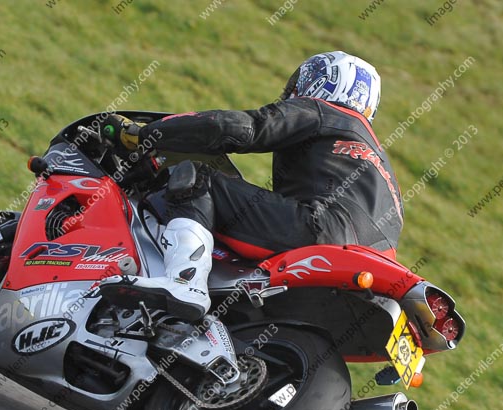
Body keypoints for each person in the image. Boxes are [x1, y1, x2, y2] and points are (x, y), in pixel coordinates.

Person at [99, 51, 403, 322]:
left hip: (320, 232)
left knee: (196, 178)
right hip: (371, 270)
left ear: (322, 82)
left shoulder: (322, 111)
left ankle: (185, 282)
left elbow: (241, 128)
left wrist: (145, 134)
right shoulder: (381, 161)